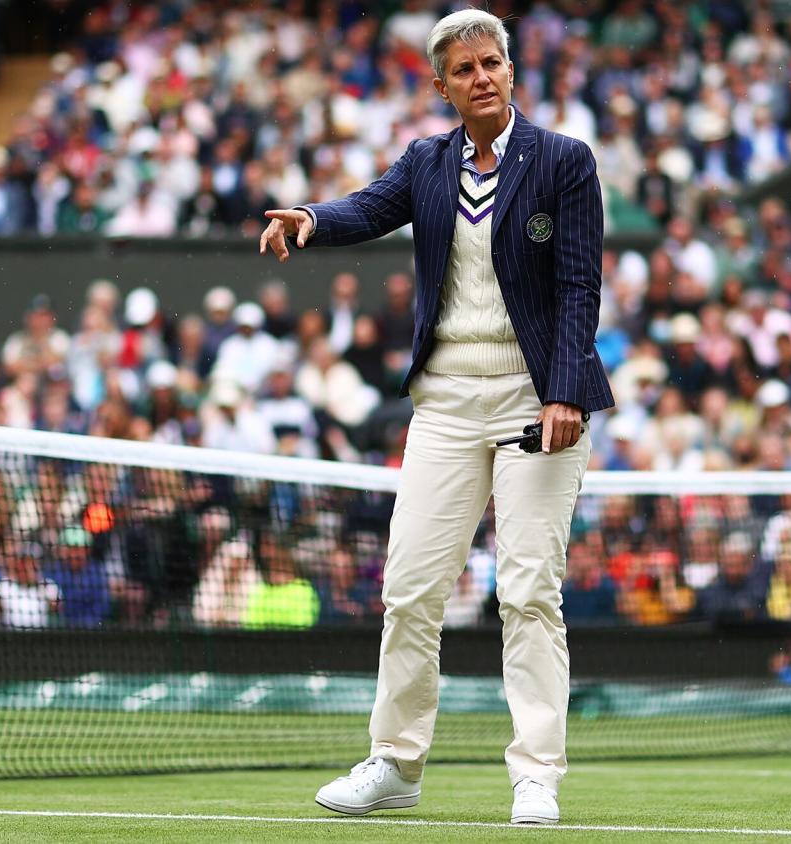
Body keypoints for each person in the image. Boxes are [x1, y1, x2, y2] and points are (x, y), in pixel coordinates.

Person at [259, 9, 612, 825]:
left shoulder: (564, 160)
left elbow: (578, 287)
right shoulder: (426, 160)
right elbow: (367, 207)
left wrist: (563, 389)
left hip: (539, 401)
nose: (481, 76)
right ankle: (396, 762)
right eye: (465, 69)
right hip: (445, 404)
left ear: (511, 70)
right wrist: (311, 218)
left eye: (493, 62)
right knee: (410, 587)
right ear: (442, 85)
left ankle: (536, 774)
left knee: (527, 590)